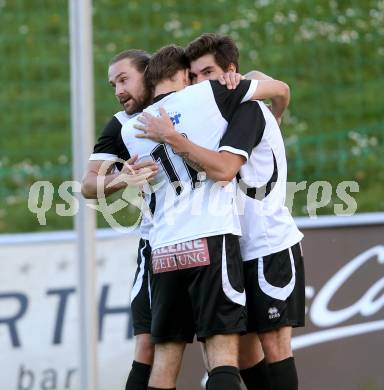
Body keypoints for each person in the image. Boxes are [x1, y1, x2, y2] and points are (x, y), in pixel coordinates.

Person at [135, 33, 305, 390]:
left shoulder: (246, 108)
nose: (199, 83)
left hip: (267, 245)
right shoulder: (211, 114)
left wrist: (172, 138)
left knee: (274, 345)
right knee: (242, 354)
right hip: (231, 246)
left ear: (231, 73)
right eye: (194, 76)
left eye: (208, 73)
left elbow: (225, 170)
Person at [81, 49, 158, 390]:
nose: (118, 90)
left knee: (231, 348)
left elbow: (254, 80)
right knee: (148, 344)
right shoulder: (121, 124)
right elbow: (88, 185)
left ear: (150, 74)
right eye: (113, 84)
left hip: (214, 237)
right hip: (156, 245)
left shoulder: (189, 104)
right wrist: (121, 180)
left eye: (124, 79)